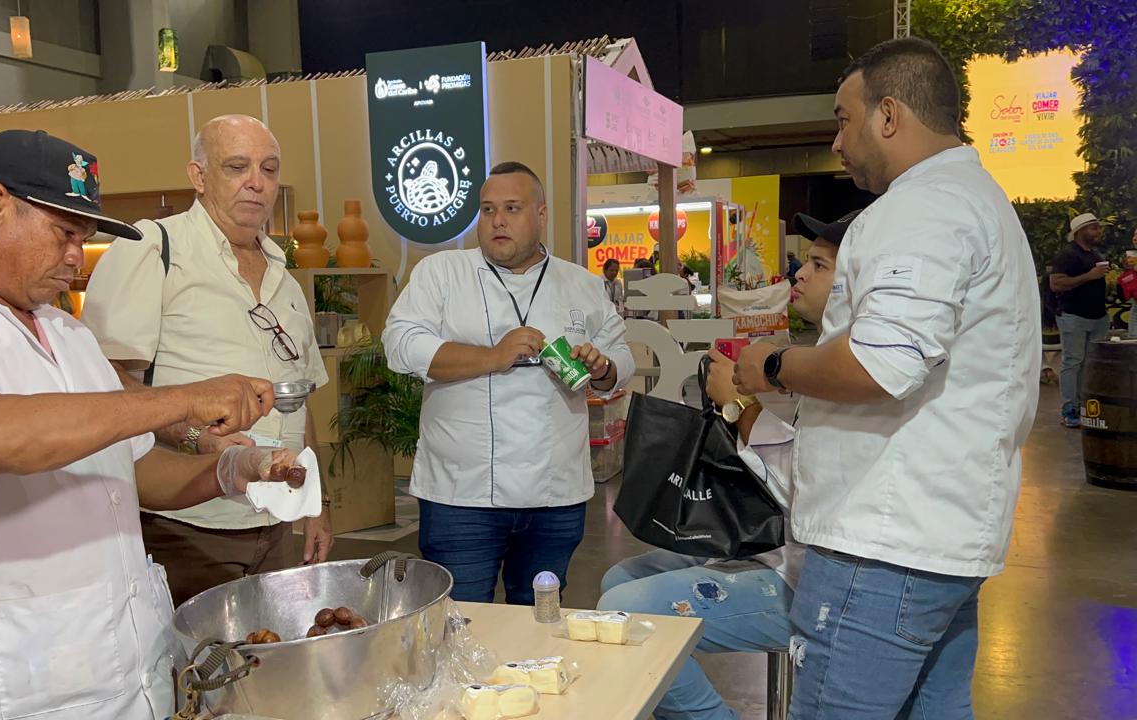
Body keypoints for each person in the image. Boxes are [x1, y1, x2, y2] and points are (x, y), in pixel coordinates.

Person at [0, 129, 301, 719]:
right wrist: (179, 400)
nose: (75, 256)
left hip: (121, 666)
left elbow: (133, 470)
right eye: (65, 235)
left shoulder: (68, 334)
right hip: (0, 678)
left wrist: (226, 471)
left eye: (84, 239)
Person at [734, 38, 1039, 719]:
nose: (837, 143)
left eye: (844, 119)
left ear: (889, 115)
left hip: (882, 545)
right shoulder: (978, 201)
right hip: (938, 542)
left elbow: (880, 364)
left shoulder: (920, 208)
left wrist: (775, 365)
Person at [598, 209, 858, 720]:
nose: (799, 274)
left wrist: (739, 406)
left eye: (820, 265)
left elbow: (804, 484)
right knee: (615, 582)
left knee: (620, 615)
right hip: (778, 553)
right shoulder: (828, 353)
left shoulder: (855, 367)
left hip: (807, 581)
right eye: (805, 262)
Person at [82, 115, 333, 605]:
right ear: (198, 176)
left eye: (269, 169)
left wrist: (315, 503)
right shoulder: (153, 248)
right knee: (192, 671)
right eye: (237, 167)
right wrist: (191, 435)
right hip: (187, 522)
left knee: (265, 664)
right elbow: (105, 384)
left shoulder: (284, 272)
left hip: (275, 521)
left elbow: (298, 400)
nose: (256, 183)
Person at [382, 161, 635, 604]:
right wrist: (492, 357)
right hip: (460, 493)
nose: (497, 220)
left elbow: (622, 357)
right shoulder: (442, 273)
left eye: (512, 208)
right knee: (457, 622)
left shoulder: (579, 283)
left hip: (555, 495)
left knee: (539, 622)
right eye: (487, 209)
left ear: (541, 215)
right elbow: (400, 344)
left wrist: (602, 367)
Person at [1049, 213, 1112, 428]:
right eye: (1093, 228)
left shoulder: (1096, 255)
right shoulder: (1067, 256)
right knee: (1072, 362)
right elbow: (1056, 284)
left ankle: (1087, 404)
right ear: (1080, 231)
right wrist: (1089, 276)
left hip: (1098, 317)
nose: (1098, 232)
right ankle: (1070, 408)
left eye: (1098, 228)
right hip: (1074, 316)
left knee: (1091, 363)